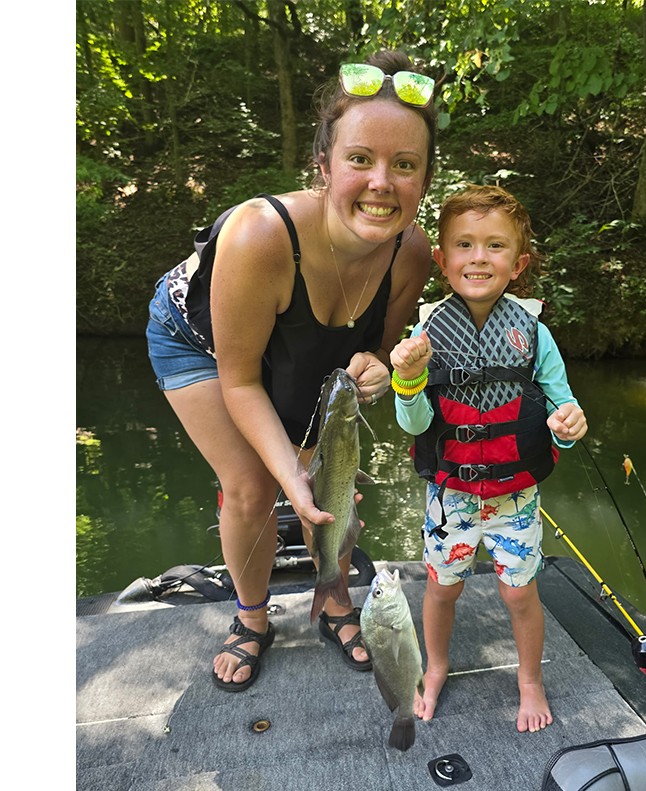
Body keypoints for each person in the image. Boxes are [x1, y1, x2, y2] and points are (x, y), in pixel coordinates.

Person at [145, 50, 437, 691]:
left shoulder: (413, 253)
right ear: (324, 165)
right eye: (360, 159)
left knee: (326, 480)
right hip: (201, 344)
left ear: (424, 177)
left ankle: (332, 601)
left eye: (405, 165)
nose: (382, 182)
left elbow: (375, 353)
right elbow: (241, 379)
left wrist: (379, 369)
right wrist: (290, 472)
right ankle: (252, 620)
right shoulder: (260, 234)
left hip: (306, 348)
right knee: (255, 484)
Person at [389, 184, 588, 732]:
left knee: (518, 593)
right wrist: (407, 379)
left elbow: (562, 406)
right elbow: (415, 425)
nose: (479, 257)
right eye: (465, 245)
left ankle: (529, 680)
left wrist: (569, 427)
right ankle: (435, 669)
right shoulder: (424, 335)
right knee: (441, 589)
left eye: (495, 246)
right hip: (450, 497)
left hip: (516, 499)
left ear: (518, 263)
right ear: (442, 259)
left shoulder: (535, 333)